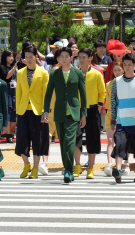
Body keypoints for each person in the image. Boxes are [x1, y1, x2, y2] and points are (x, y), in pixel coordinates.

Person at [42, 47, 87, 183]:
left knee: (69, 141)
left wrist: (83, 114)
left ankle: (68, 170)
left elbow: (83, 95)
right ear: (59, 59)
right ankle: (68, 169)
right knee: (63, 143)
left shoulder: (77, 73)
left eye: (67, 56)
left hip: (74, 113)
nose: (64, 59)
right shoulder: (54, 74)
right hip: (59, 112)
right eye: (62, 56)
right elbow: (48, 93)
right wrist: (45, 111)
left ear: (70, 58)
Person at [110, 53, 135, 183]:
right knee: (120, 144)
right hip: (122, 120)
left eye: (130, 65)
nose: (127, 67)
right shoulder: (116, 81)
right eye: (125, 65)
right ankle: (118, 170)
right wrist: (113, 118)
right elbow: (113, 101)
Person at [16, 46, 50, 179]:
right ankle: (26, 165)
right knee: (21, 140)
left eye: (31, 56)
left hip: (38, 111)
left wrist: (45, 111)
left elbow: (46, 94)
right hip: (23, 110)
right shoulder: (20, 73)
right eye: (26, 57)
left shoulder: (43, 72)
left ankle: (35, 168)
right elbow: (19, 93)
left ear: (36, 57)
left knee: (38, 140)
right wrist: (18, 112)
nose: (29, 59)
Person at [70, 48, 104, 179]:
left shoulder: (97, 73)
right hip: (77, 110)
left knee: (92, 138)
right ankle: (77, 166)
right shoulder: (75, 73)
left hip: (92, 109)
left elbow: (102, 92)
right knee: (76, 137)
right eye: (80, 57)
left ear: (90, 58)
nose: (82, 59)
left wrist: (100, 106)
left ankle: (91, 168)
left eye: (84, 57)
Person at [102, 61, 123, 176]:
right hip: (110, 113)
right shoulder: (109, 84)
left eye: (119, 70)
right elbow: (107, 98)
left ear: (123, 70)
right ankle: (110, 164)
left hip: (122, 114)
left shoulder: (126, 83)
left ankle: (124, 163)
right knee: (110, 140)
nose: (117, 72)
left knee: (122, 140)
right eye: (115, 70)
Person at [0, 50, 18, 144]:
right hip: (6, 92)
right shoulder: (2, 67)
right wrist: (14, 69)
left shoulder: (15, 68)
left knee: (14, 115)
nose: (12, 58)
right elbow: (6, 77)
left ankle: (11, 133)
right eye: (9, 56)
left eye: (13, 56)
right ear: (5, 57)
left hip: (14, 92)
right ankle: (8, 135)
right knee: (8, 115)